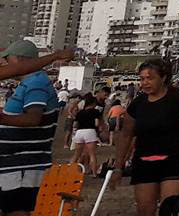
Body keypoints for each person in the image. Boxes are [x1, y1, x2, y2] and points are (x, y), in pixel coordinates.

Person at [113, 58, 179, 216]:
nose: (145, 83)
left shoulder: (178, 99)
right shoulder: (138, 103)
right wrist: (118, 166)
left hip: (174, 161)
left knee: (170, 209)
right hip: (144, 163)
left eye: (150, 78)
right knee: (144, 210)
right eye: (142, 79)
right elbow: (126, 135)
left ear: (163, 78)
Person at [0, 39, 60, 216]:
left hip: (22, 163)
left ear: (21, 59)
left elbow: (33, 118)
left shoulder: (36, 83)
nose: (5, 63)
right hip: (15, 163)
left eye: (7, 58)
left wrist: (2, 118)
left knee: (16, 209)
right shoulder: (31, 82)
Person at [69, 93, 105, 177]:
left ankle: (70, 171)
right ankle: (94, 173)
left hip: (79, 132)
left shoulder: (80, 112)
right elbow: (96, 124)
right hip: (90, 131)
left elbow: (75, 125)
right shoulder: (96, 111)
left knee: (76, 155)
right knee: (92, 154)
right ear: (93, 103)